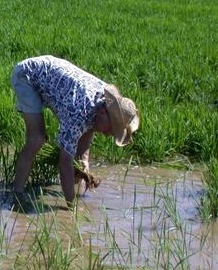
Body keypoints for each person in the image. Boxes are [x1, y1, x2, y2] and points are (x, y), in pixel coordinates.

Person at [10, 55, 139, 209]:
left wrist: (83, 161)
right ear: (104, 114)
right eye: (110, 130)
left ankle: (65, 189)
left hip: (51, 74)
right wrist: (71, 207)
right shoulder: (78, 112)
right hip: (27, 75)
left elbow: (90, 127)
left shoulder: (103, 103)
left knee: (77, 160)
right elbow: (64, 164)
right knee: (37, 138)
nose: (105, 135)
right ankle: (17, 195)